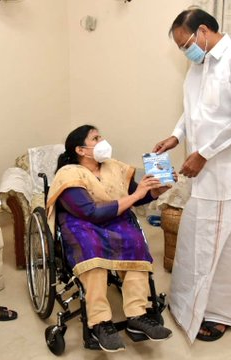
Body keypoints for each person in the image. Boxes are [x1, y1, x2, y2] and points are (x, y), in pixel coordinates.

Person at [153, 9, 231, 343]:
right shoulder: (199, 65)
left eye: (185, 43)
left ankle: (218, 314)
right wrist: (177, 135)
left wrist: (203, 153)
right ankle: (187, 304)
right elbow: (192, 109)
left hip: (228, 172)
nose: (184, 51)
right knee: (199, 240)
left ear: (203, 30)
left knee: (223, 246)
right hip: (205, 171)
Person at [47, 125, 174, 353]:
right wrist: (136, 195)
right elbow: (91, 212)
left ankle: (138, 315)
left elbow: (137, 198)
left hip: (114, 218)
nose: (102, 141)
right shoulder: (68, 174)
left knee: (134, 242)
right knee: (92, 251)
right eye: (95, 138)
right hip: (81, 223)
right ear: (81, 150)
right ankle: (99, 323)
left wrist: (157, 189)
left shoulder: (113, 167)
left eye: (100, 136)